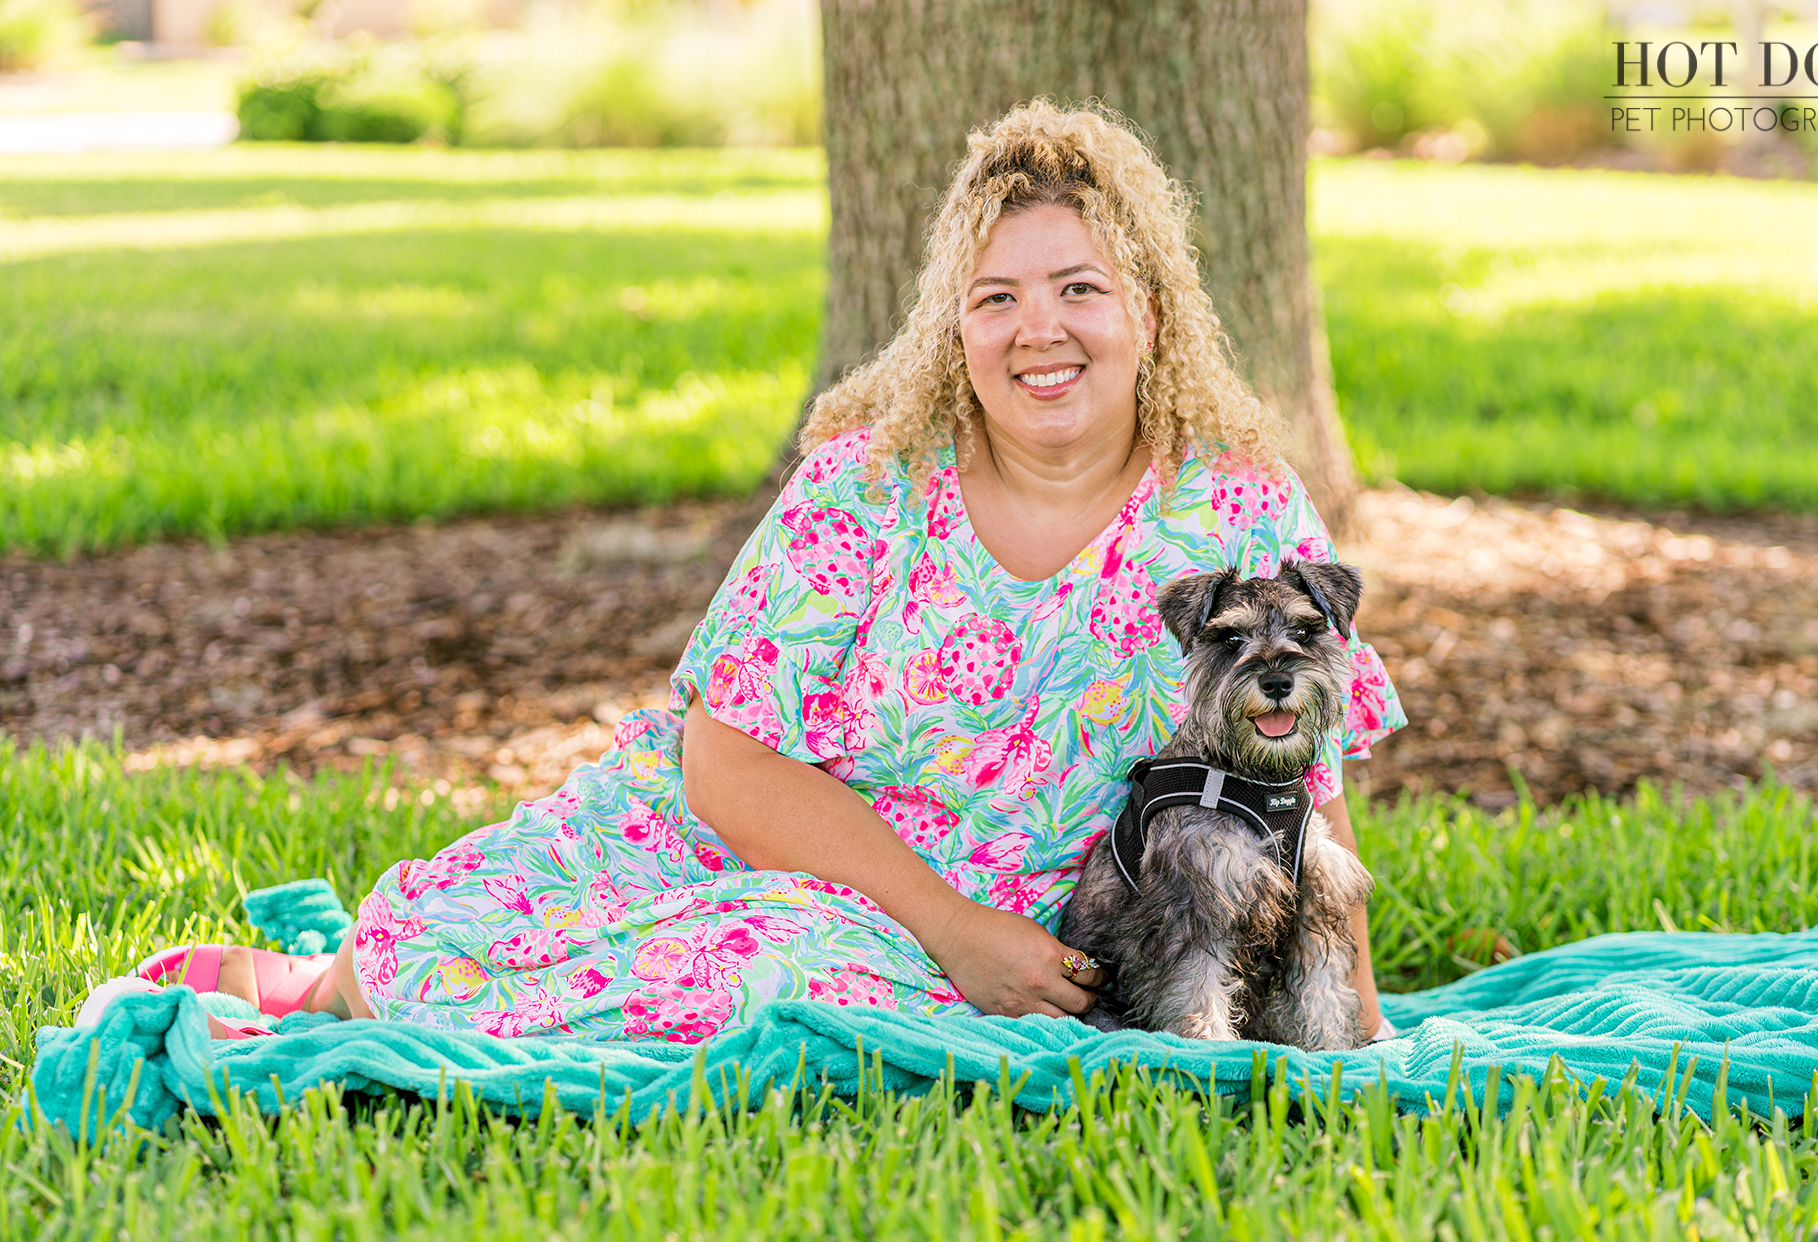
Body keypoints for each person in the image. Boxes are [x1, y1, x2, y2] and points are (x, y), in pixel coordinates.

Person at [117, 101, 1406, 1044]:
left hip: (1014, 928)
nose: (1038, 332)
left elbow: (1310, 796)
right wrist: (948, 929)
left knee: (776, 985)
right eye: (994, 298)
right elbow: (722, 760)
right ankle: (328, 989)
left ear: (1152, 311)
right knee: (450, 945)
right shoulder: (870, 481)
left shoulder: (1236, 508)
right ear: (952, 328)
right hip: (774, 846)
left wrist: (1365, 1019)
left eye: (1080, 287)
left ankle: (363, 988)